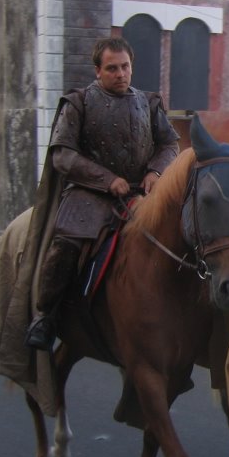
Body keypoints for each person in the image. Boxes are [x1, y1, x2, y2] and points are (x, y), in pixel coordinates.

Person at [24, 37, 179, 351]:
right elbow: (63, 155)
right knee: (67, 243)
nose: (120, 74)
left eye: (125, 67)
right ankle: (46, 316)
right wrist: (107, 180)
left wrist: (155, 171)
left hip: (140, 191)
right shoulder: (78, 103)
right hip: (90, 194)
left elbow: (170, 144)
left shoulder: (149, 102)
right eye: (112, 68)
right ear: (98, 71)